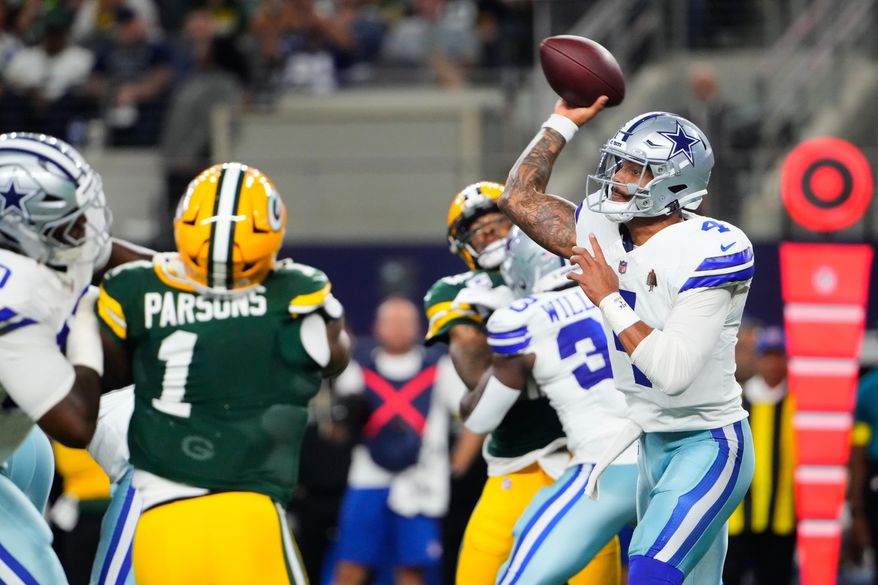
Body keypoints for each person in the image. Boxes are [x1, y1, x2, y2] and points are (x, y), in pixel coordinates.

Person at [499, 98, 756, 584]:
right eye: (618, 164)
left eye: (636, 169)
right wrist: (564, 122)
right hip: (650, 444)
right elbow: (518, 198)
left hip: (709, 443)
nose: (618, 178)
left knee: (649, 573)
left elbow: (674, 373)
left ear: (676, 181)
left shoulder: (713, 249)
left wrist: (609, 300)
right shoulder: (604, 229)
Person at [96, 161, 351, 584]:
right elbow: (333, 359)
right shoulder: (295, 292)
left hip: (157, 519)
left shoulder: (136, 288)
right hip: (244, 508)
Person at [423, 181, 611, 584]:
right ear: (464, 246)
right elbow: (476, 378)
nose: (493, 235)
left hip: (589, 462)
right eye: (481, 232)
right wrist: (515, 315)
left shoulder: (574, 270)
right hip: (516, 462)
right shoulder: (456, 292)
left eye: (501, 224)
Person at [463, 227, 637, 585]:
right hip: (669, 453)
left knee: (520, 569)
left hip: (603, 466)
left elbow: (481, 418)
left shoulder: (521, 317)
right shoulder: (630, 290)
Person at [0, 132, 112, 582]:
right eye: (71, 221)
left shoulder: (27, 265)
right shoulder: (14, 296)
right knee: (40, 574)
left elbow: (119, 258)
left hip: (12, 442)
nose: (86, 229)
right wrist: (86, 321)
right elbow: (75, 424)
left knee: (33, 452)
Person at [332, 296, 466, 585]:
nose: (397, 329)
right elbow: (338, 430)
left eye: (405, 323)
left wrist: (455, 467)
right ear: (377, 327)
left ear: (418, 328)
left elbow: (474, 418)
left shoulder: (440, 367)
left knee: (413, 569)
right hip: (367, 479)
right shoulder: (357, 368)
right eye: (390, 322)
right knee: (351, 565)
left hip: (421, 484)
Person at [725, 327, 795, 585]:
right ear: (758, 359)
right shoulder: (736, 401)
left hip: (783, 516)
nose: (774, 363)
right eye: (768, 355)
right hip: (737, 514)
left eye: (780, 356)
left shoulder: (798, 403)